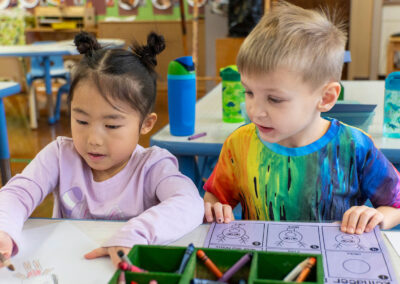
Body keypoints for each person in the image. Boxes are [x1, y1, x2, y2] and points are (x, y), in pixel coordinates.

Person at [0, 31, 204, 268]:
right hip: (68, 267)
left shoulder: (152, 165)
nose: (93, 139)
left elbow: (190, 203)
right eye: (82, 122)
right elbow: (18, 193)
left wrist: (136, 233)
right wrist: (4, 229)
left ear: (146, 123)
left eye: (111, 125)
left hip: (121, 267)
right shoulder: (59, 155)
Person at [203, 2, 400, 234]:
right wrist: (214, 208)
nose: (255, 111)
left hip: (332, 266)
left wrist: (377, 216)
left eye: (274, 99)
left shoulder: (355, 146)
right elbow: (215, 196)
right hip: (262, 264)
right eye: (249, 92)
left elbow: (395, 205)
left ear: (326, 97)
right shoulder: (239, 144)